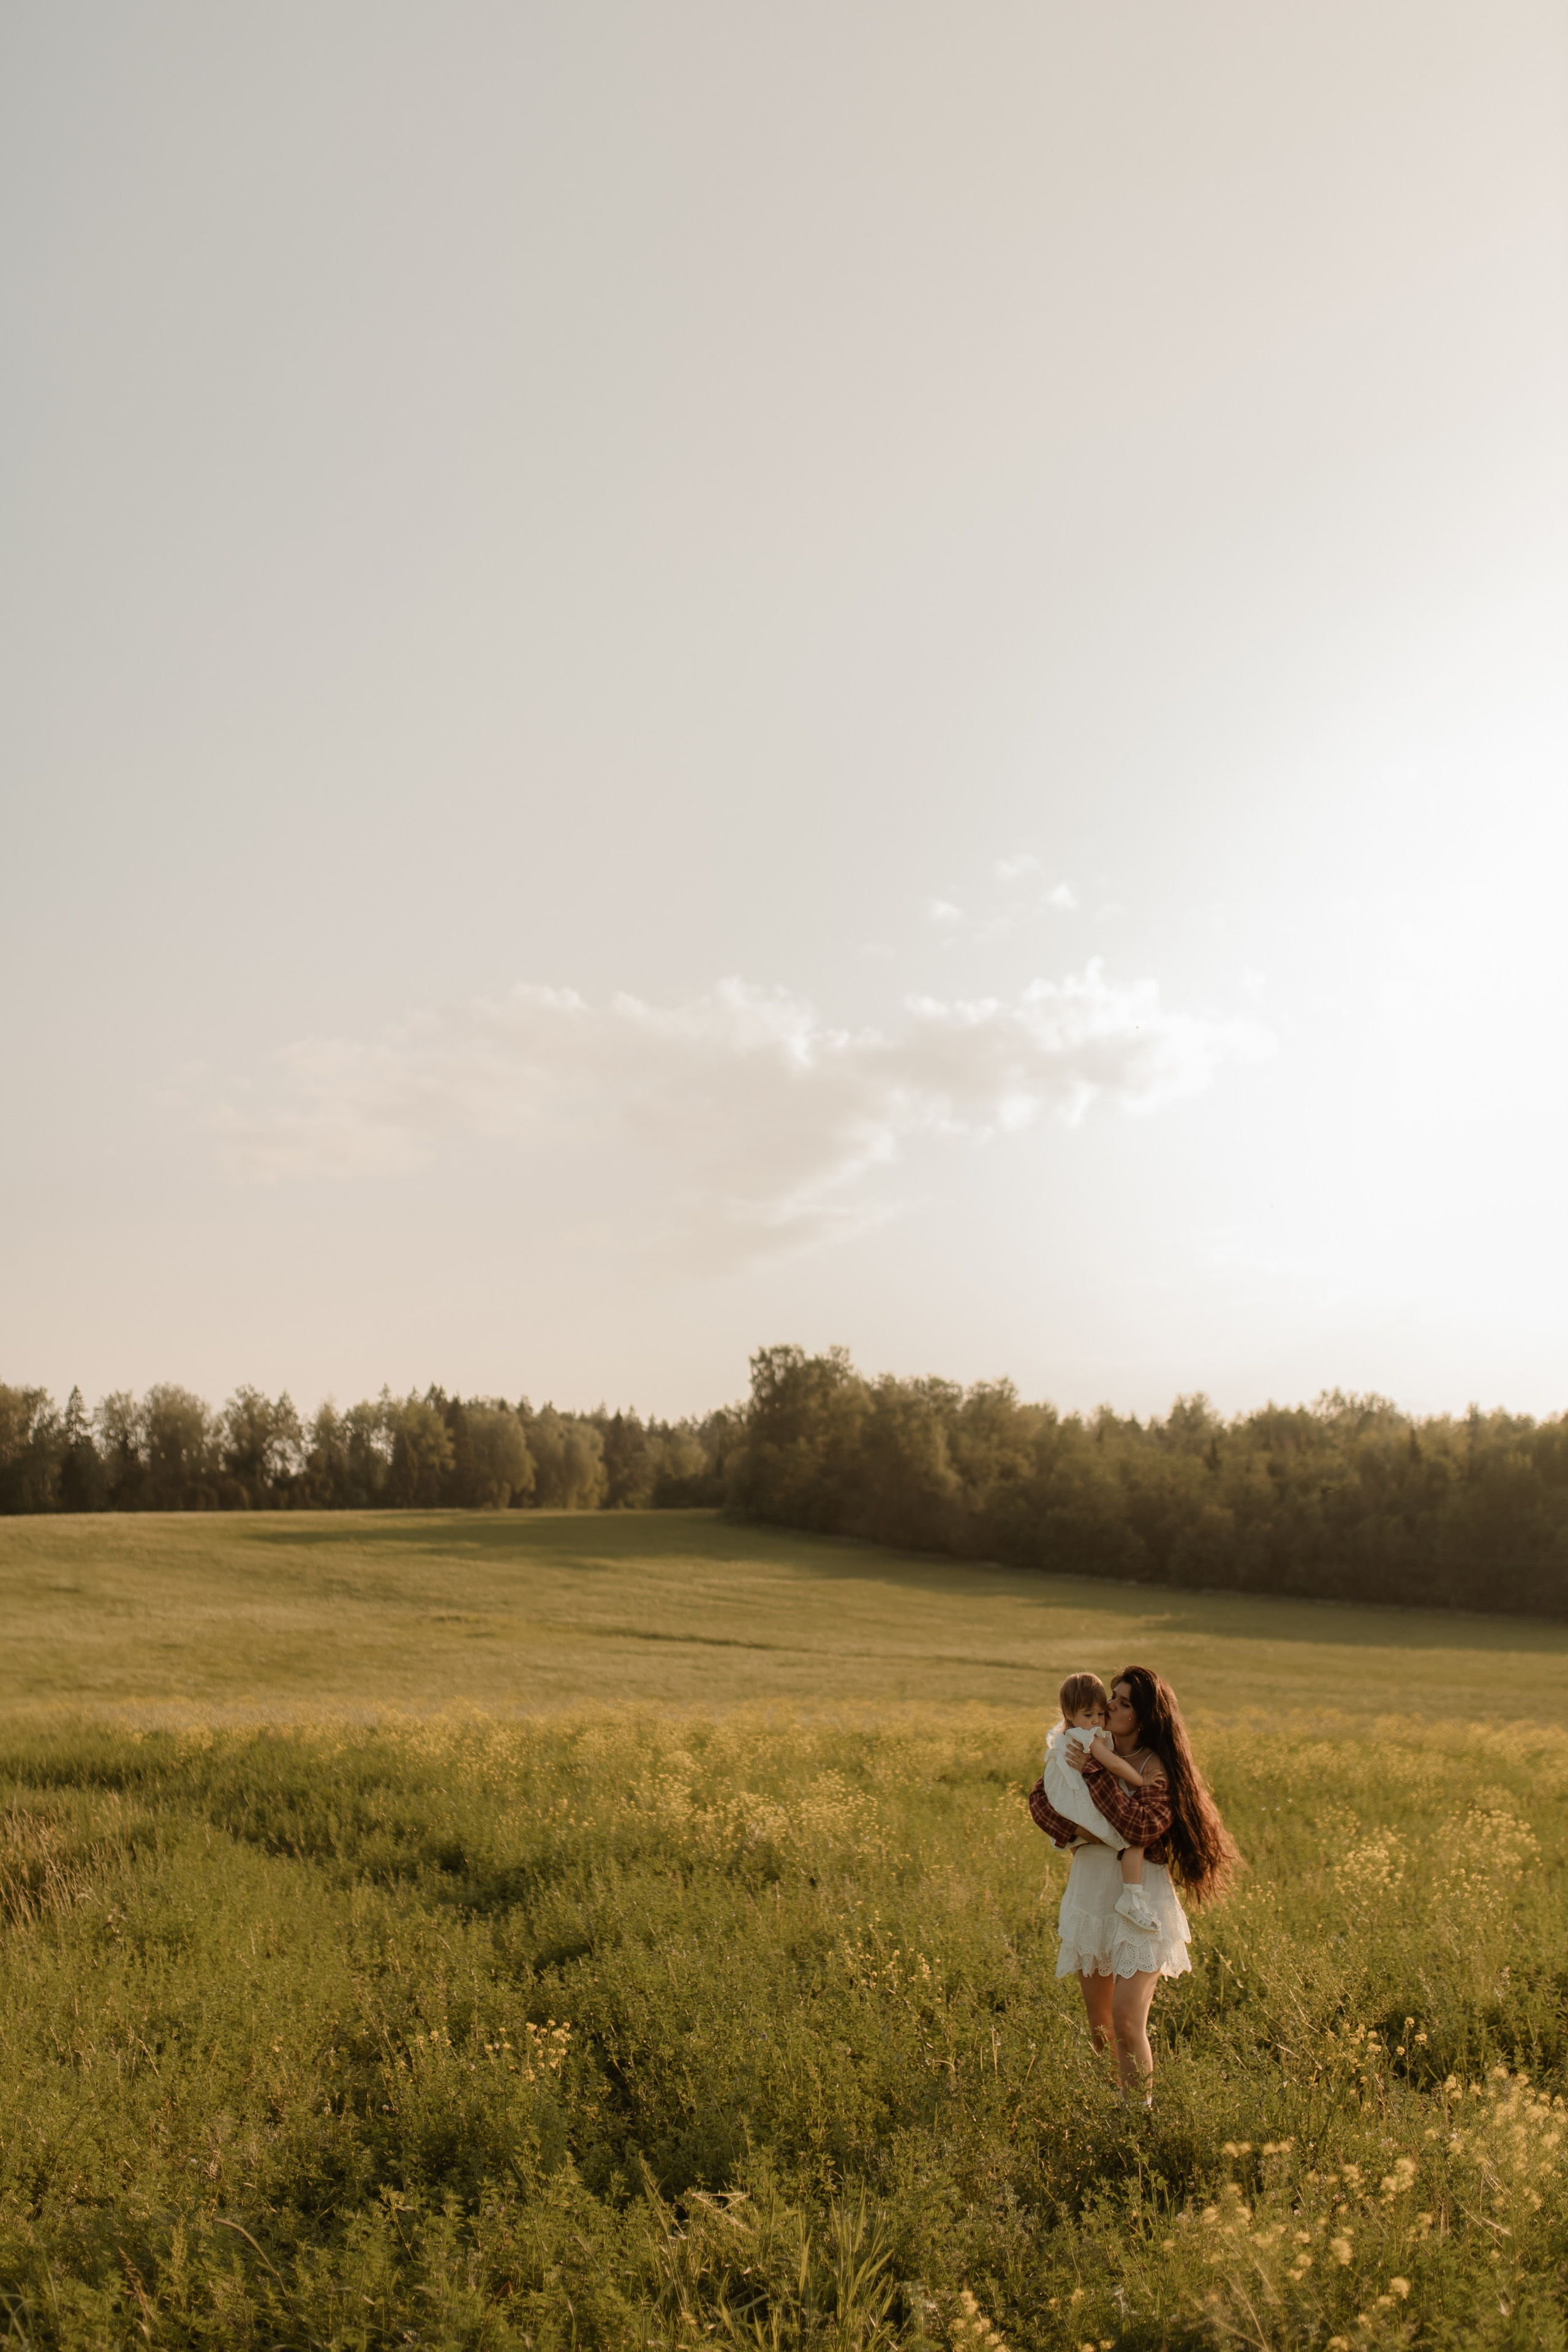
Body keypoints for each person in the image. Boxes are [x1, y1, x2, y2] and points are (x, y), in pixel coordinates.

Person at [1028, 1664, 1238, 2106]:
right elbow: (1042, 1799)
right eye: (1114, 1697)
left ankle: (1139, 2123)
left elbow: (1140, 1828)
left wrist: (1096, 1776)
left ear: (1142, 1717)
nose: (1110, 1705)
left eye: (1123, 1702)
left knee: (1126, 2022)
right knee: (1100, 2026)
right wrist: (1074, 1832)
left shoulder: (1156, 1768)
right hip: (1091, 1893)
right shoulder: (1082, 1745)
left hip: (1141, 1903)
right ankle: (1112, 2117)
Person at [1042, 1672, 1159, 1932]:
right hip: (1079, 1799)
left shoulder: (1065, 1735)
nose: (1097, 1720)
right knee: (1132, 1841)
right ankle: (1132, 1896)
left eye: (1099, 1713)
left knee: (1088, 1851)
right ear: (1069, 1714)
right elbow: (1113, 1764)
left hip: (1065, 1798)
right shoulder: (1089, 1738)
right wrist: (1141, 1781)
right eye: (1089, 1715)